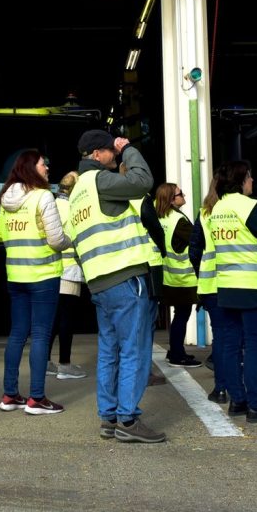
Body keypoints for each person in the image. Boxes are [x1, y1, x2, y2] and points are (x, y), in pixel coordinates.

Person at [66, 130, 163, 444]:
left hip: (99, 282)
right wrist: (130, 148)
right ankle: (128, 419)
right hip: (123, 276)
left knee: (109, 351)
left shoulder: (77, 193)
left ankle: (109, 416)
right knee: (134, 349)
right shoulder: (100, 181)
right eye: (111, 151)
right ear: (97, 154)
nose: (114, 155)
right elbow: (142, 181)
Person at [198, 162, 257, 425]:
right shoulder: (249, 206)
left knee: (229, 344)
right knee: (254, 345)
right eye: (249, 177)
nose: (252, 182)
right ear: (242, 180)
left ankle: (238, 400)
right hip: (252, 285)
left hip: (225, 284)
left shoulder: (216, 210)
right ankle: (256, 406)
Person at [0, 150, 72, 415]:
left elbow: (5, 237)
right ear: (31, 167)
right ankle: (37, 398)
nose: (47, 167)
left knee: (17, 334)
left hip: (16, 275)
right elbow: (55, 239)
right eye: (43, 164)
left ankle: (10, 395)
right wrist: (69, 241)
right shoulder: (43, 197)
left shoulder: (5, 200)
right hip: (43, 274)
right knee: (40, 334)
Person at [154, 182, 201, 368]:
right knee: (182, 315)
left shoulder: (160, 218)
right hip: (182, 278)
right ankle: (177, 354)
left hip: (167, 276)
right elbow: (197, 240)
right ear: (172, 200)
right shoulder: (179, 220)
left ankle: (175, 351)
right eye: (180, 194)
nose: (184, 195)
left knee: (178, 315)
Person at [190, 166, 224, 402]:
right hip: (238, 283)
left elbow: (194, 250)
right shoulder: (242, 208)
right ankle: (239, 390)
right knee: (238, 340)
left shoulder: (204, 214)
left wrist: (200, 273)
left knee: (221, 337)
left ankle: (220, 388)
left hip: (210, 284)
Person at [48, 172, 87, 381]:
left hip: (51, 268)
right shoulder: (73, 208)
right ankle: (65, 364)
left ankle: (46, 362)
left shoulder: (52, 204)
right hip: (70, 268)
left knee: (53, 318)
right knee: (66, 319)